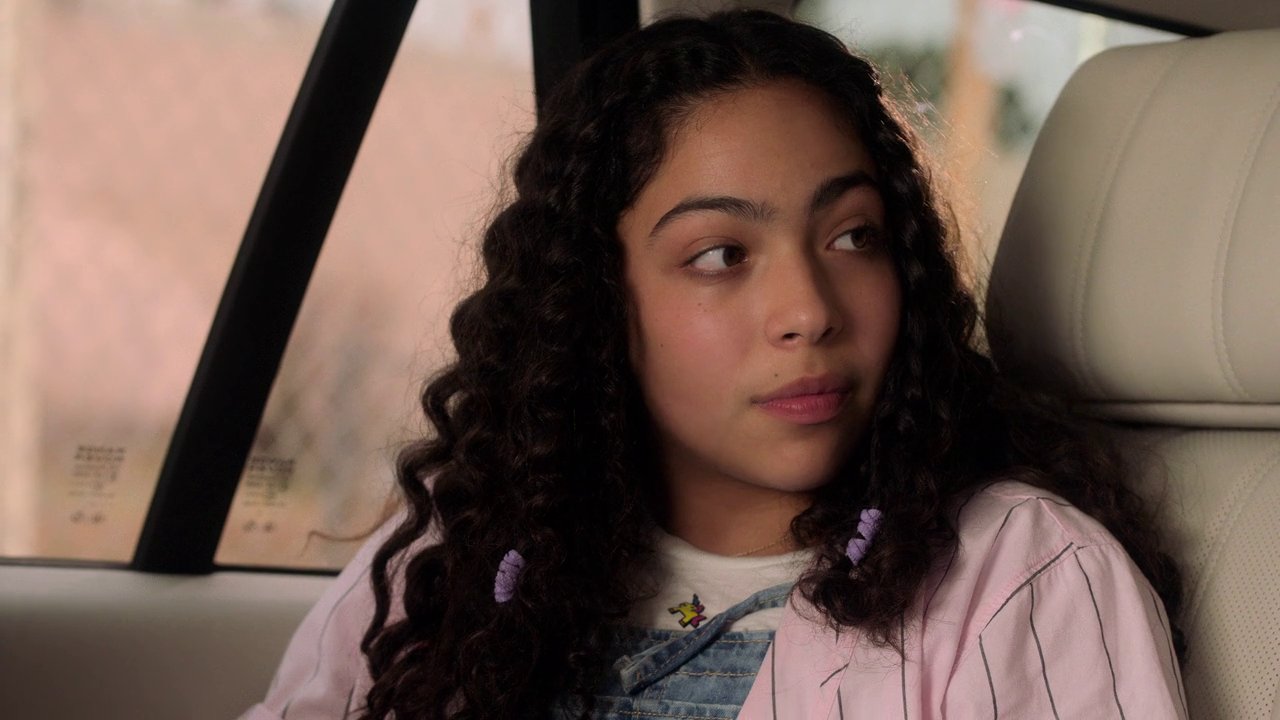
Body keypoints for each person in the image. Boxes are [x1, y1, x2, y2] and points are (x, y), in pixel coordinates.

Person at [242, 10, 1187, 719]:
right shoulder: (454, 561)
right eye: (722, 255)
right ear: (596, 301)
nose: (809, 311)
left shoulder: (1022, 573)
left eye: (853, 236)